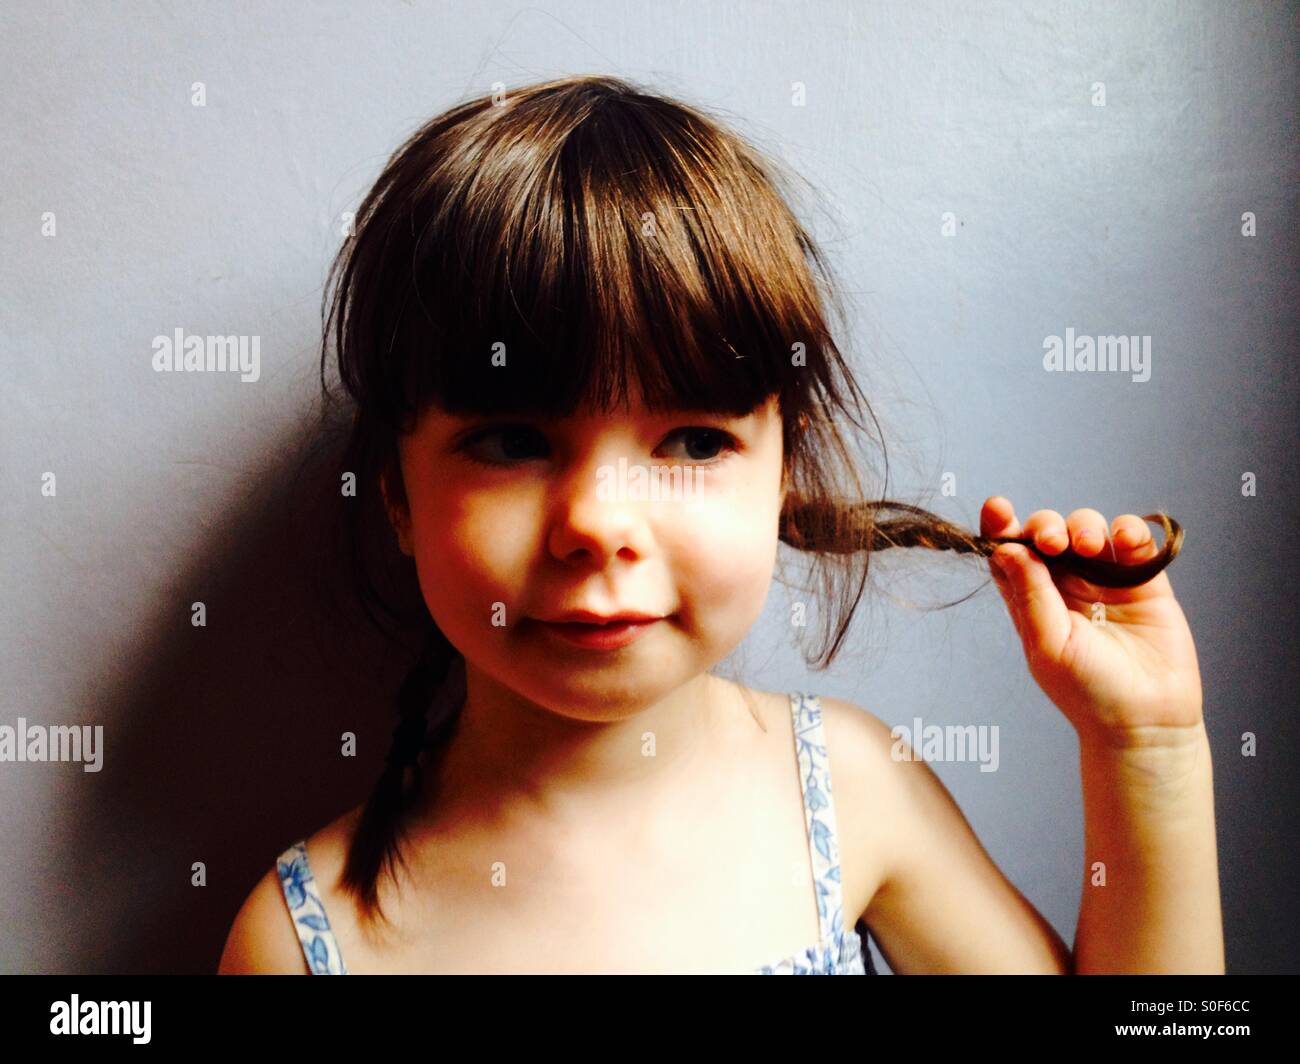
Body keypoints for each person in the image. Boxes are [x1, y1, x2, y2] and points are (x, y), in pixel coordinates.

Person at [217, 74, 1220, 975]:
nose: (597, 525)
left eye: (693, 442)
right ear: (394, 489)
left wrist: (1144, 744)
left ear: (786, 469)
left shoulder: (850, 788)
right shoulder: (306, 940)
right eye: (514, 440)